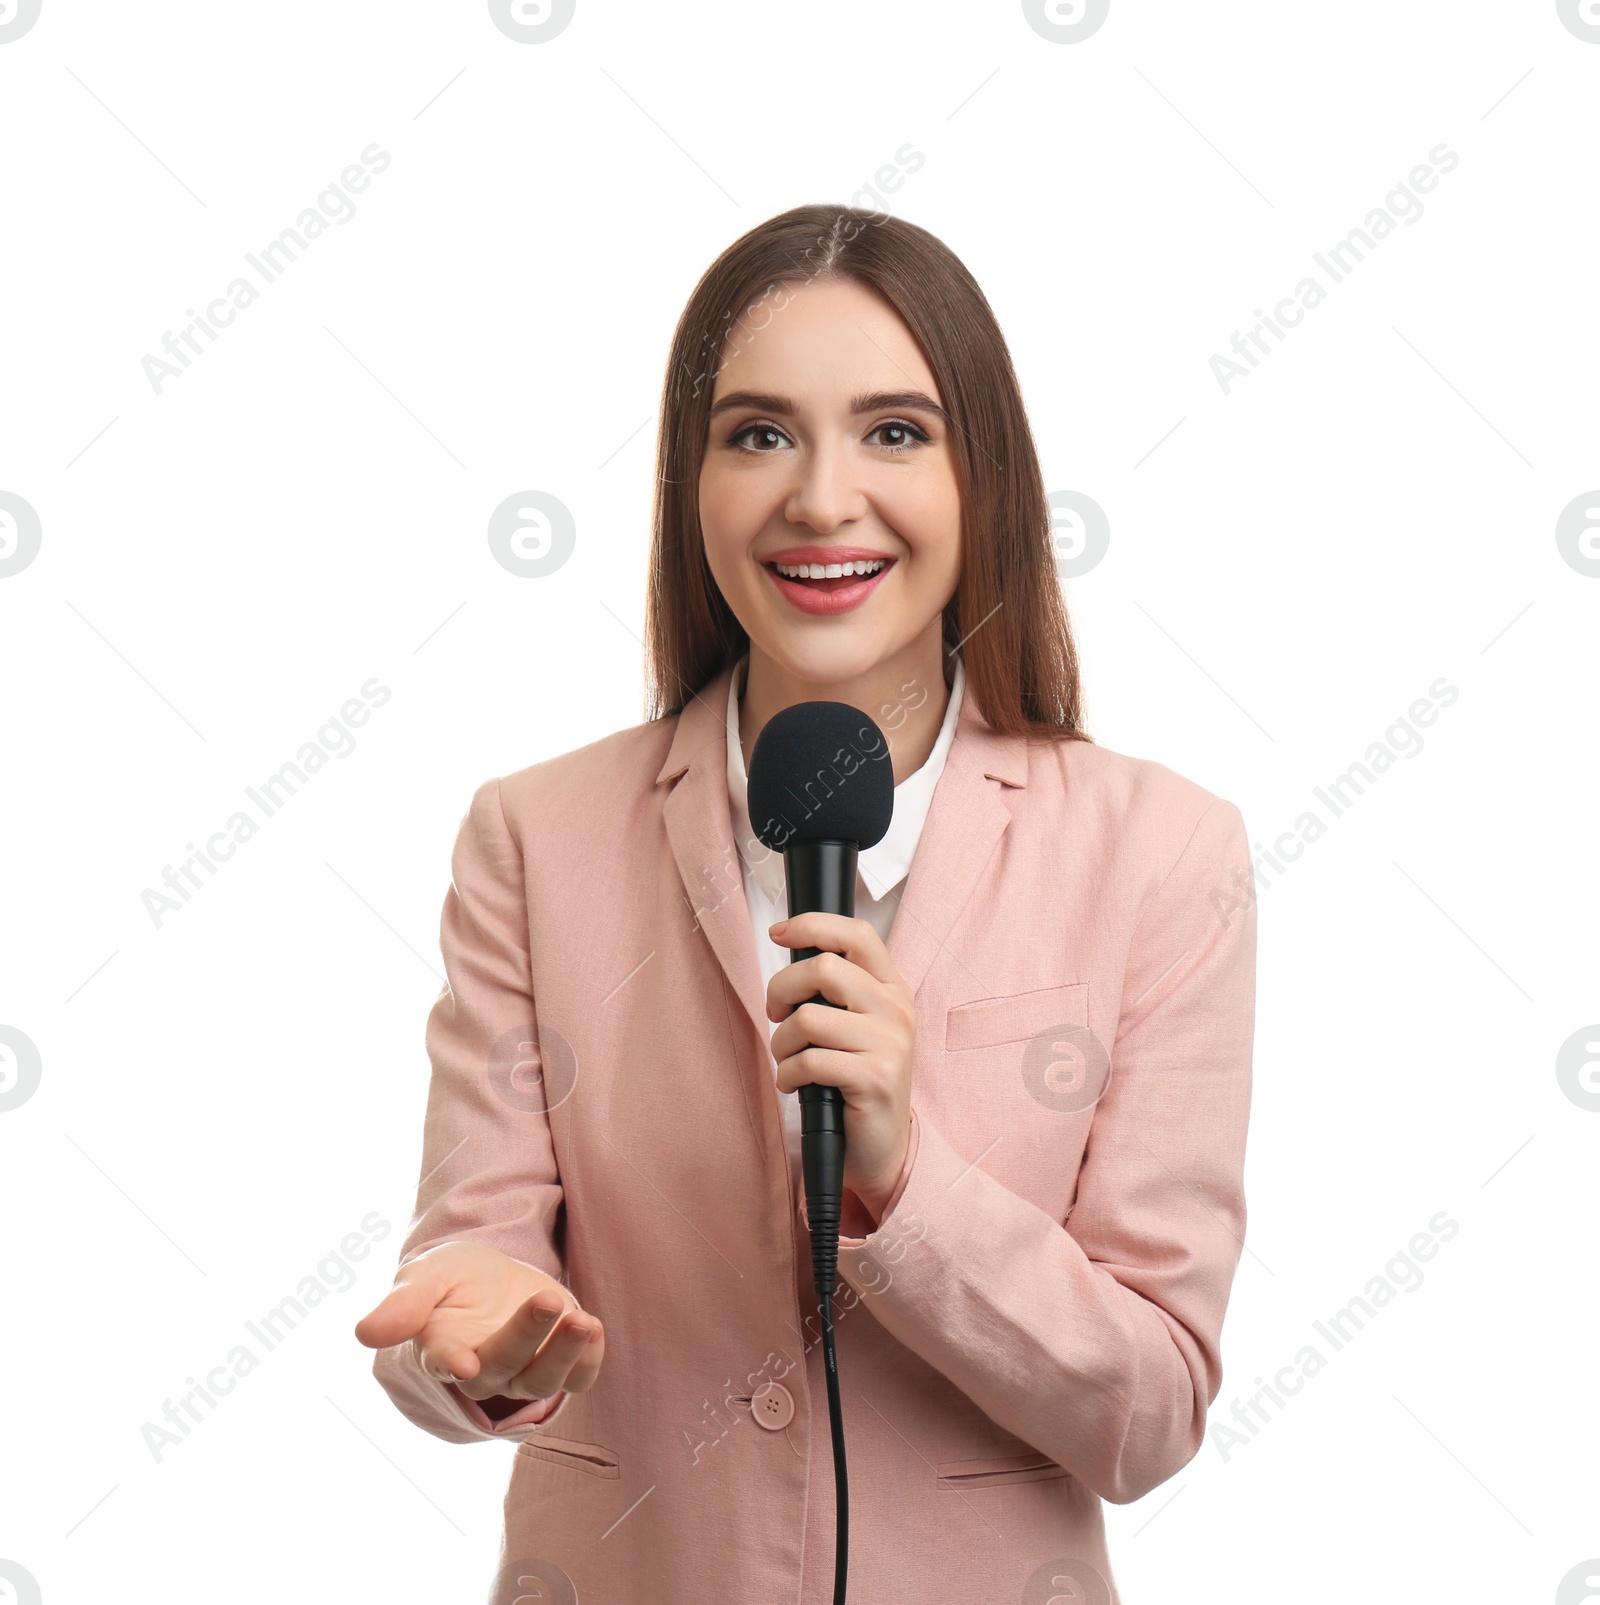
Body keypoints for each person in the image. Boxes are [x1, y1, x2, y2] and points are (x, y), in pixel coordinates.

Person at [355, 204, 1257, 1605]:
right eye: (759, 433)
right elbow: (474, 1244)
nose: (822, 498)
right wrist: (469, 1330)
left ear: (987, 480)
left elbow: (1149, 1411)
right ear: (690, 479)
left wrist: (909, 1176)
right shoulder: (535, 838)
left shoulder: (1160, 852)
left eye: (896, 431)